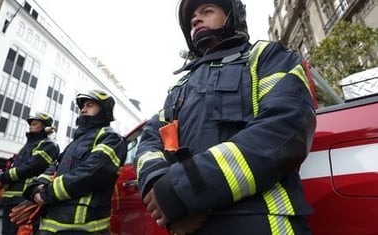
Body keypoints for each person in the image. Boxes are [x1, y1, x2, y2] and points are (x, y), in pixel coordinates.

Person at [134, 0, 317, 234]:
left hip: (260, 221)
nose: (196, 19)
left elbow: (287, 128)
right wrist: (160, 187)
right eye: (192, 19)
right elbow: (150, 142)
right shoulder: (179, 88)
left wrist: (184, 189)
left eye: (207, 11)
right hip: (189, 225)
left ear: (234, 17)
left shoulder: (267, 57)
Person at [22, 89, 127, 235]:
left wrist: (46, 194)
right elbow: (55, 168)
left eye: (89, 105)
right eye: (82, 106)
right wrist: (34, 188)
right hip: (50, 227)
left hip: (81, 229)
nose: (83, 109)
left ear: (104, 109)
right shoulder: (76, 141)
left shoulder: (111, 138)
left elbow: (92, 172)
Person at [0, 112, 60, 235]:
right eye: (30, 124)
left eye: (35, 124)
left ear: (45, 127)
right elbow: (17, 167)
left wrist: (4, 178)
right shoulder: (27, 146)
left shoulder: (48, 145)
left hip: (24, 199)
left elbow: (32, 167)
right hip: (11, 200)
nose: (30, 126)